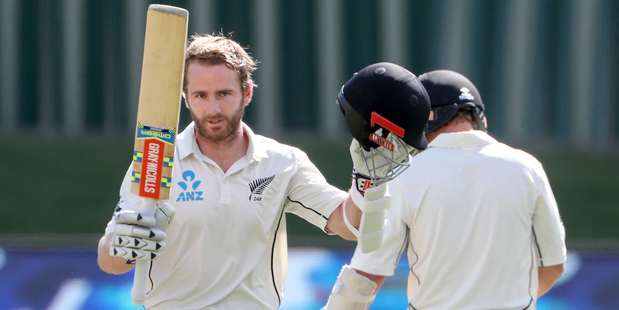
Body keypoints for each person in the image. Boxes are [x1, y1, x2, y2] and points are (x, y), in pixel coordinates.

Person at [97, 34, 430, 310]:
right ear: (185, 98)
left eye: (224, 94)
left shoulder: (282, 162)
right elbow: (108, 261)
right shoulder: (157, 161)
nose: (213, 109)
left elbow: (346, 222)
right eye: (201, 95)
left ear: (247, 92)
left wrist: (366, 181)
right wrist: (122, 247)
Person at [322, 70, 567, 310]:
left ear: (421, 119)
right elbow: (554, 265)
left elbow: (365, 276)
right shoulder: (527, 168)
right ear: (477, 117)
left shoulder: (405, 173)